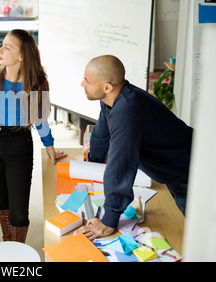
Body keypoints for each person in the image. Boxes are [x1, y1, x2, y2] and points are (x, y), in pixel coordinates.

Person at [74, 55, 193, 240]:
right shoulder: (112, 99)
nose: (82, 84)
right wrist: (92, 166)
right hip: (175, 172)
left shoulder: (127, 112)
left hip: (190, 175)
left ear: (107, 87)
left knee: (198, 237)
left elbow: (120, 165)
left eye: (87, 81)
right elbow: (101, 133)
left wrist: (109, 220)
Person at [0, 29, 67, 243]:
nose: (0, 50)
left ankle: (17, 248)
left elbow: (40, 118)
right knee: (2, 202)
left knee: (18, 210)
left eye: (8, 47)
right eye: (2, 44)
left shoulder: (36, 80)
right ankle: (8, 242)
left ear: (22, 55)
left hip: (19, 144)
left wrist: (50, 146)